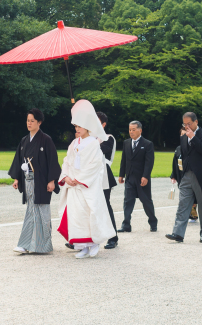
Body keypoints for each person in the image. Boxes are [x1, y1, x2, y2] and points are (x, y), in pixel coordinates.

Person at [56, 100, 116, 259]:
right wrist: (67, 177)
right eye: (75, 126)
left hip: (86, 185)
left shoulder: (94, 144)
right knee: (77, 215)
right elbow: (67, 161)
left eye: (79, 126)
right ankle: (82, 245)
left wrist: (79, 178)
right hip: (74, 185)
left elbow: (96, 165)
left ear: (88, 126)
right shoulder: (74, 143)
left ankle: (94, 242)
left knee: (90, 212)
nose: (77, 129)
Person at [8, 108, 61, 254]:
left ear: (39, 122)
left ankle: (43, 246)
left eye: (32, 121)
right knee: (31, 211)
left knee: (42, 212)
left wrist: (52, 180)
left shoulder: (46, 140)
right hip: (28, 180)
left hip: (42, 182)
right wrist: (17, 178)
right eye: (27, 120)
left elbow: (52, 161)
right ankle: (25, 244)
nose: (29, 123)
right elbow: (19, 160)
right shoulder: (24, 141)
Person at [167, 112, 202, 244]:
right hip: (186, 175)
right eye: (184, 124)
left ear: (196, 122)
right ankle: (178, 233)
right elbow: (183, 157)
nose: (187, 126)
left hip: (201, 176)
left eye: (189, 123)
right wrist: (178, 175)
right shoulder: (183, 138)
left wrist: (193, 137)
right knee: (183, 205)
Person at [117, 120, 158, 233]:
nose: (131, 132)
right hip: (130, 177)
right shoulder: (126, 143)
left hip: (142, 179)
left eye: (133, 130)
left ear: (140, 130)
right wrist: (121, 174)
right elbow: (124, 160)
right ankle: (126, 225)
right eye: (130, 130)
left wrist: (145, 176)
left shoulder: (147, 144)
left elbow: (149, 162)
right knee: (127, 202)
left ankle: (153, 222)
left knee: (146, 201)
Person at [97, 112, 119, 249]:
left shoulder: (108, 138)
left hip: (103, 175)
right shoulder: (86, 138)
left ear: (103, 124)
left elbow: (100, 152)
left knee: (104, 206)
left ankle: (112, 237)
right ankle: (81, 238)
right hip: (88, 175)